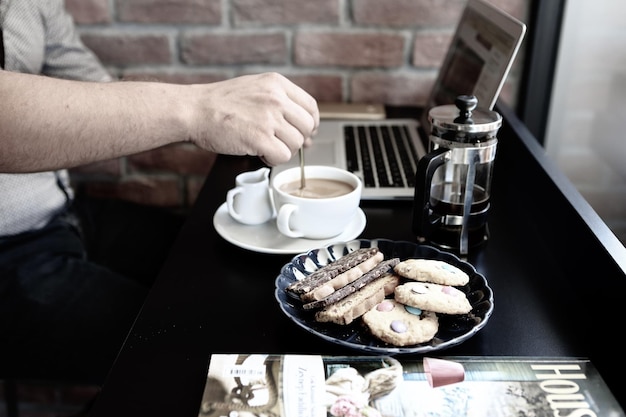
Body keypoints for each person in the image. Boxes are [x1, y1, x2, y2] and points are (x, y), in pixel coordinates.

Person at [0, 0, 319, 385]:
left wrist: (233, 112)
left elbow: (89, 89)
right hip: (10, 248)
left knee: (235, 282)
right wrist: (202, 108)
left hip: (63, 213)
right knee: (191, 353)